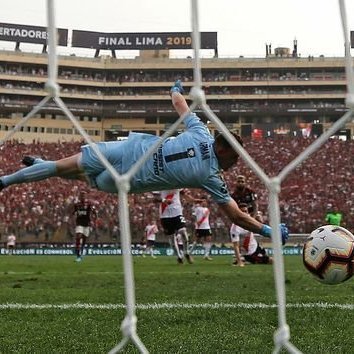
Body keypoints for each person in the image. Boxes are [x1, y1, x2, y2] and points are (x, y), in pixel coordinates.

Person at [0, 80, 288, 245]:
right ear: (225, 151)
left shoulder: (200, 131)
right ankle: (24, 171)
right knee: (80, 176)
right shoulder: (210, 175)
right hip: (127, 181)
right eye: (235, 157)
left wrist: (175, 88)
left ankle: (9, 179)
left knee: (66, 168)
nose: (237, 163)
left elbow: (179, 103)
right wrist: (268, 231)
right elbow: (236, 216)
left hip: (126, 150)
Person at [155, 189, 198, 264]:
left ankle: (186, 252)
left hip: (177, 213)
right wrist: (164, 200)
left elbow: (184, 194)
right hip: (165, 215)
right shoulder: (160, 183)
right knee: (172, 237)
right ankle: (179, 257)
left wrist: (194, 200)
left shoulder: (177, 181)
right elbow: (155, 198)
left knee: (183, 231)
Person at [72, 191, 97, 262]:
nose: (82, 197)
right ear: (79, 197)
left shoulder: (89, 204)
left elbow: (95, 213)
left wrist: (94, 221)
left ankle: (81, 253)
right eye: (81, 195)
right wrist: (73, 219)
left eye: (84, 195)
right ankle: (78, 256)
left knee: (84, 240)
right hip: (79, 224)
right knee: (78, 237)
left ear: (85, 197)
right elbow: (73, 213)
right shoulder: (77, 205)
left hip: (87, 225)